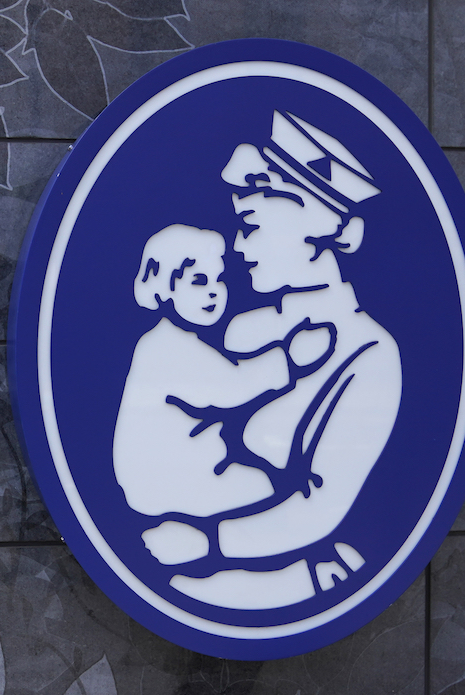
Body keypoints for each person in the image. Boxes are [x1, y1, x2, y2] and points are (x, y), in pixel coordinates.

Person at [113, 224, 334, 565]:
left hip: (183, 468)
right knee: (265, 489)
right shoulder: (166, 347)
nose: (215, 292)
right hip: (164, 478)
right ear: (163, 286)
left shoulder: (178, 341)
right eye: (199, 282)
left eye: (219, 280)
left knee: (263, 481)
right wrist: (290, 359)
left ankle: (190, 533)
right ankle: (189, 537)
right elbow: (234, 387)